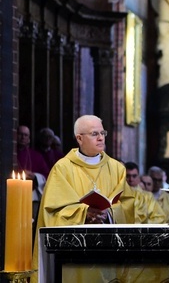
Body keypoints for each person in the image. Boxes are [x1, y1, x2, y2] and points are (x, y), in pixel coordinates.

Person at [33, 116, 128, 279]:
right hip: (74, 255)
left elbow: (127, 206)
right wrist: (84, 213)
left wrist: (108, 214)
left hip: (108, 249)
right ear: (79, 138)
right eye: (94, 134)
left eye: (102, 132)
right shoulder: (62, 168)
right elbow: (52, 212)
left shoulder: (117, 168)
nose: (101, 137)